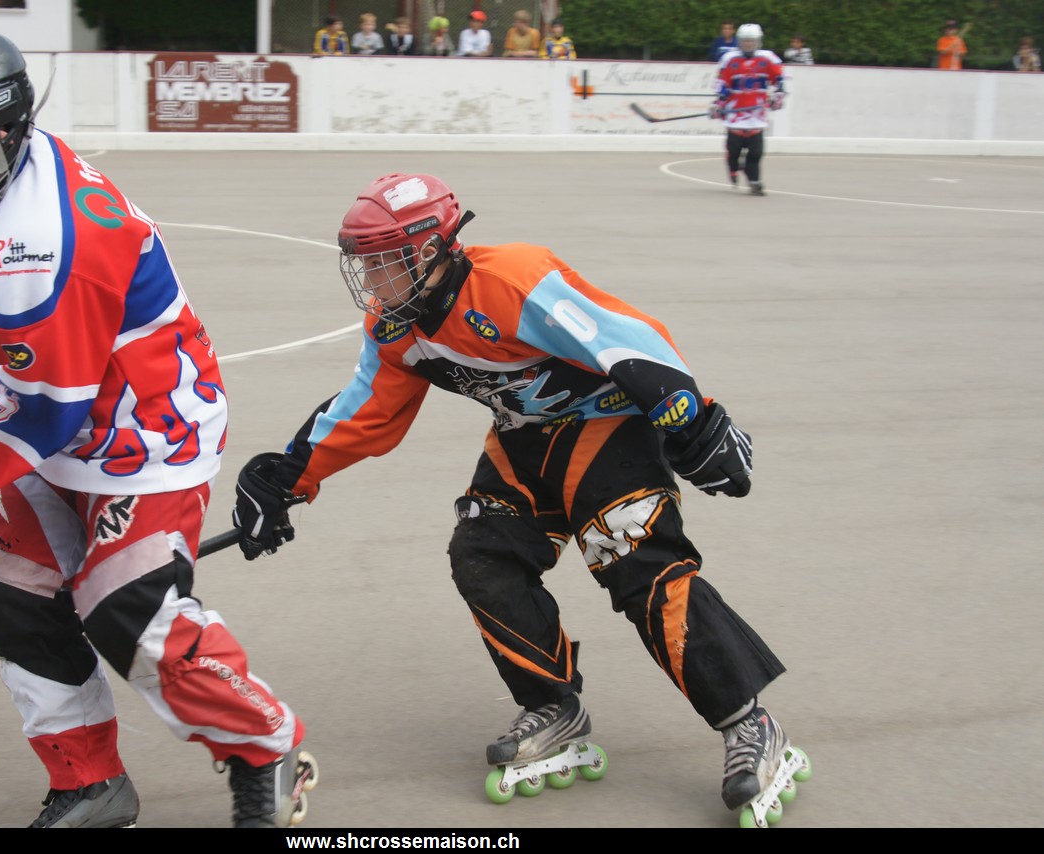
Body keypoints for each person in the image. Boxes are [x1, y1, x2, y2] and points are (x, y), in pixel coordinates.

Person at [230, 172, 804, 825]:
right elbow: (366, 410)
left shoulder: (513, 281)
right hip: (523, 440)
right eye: (363, 263)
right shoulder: (396, 327)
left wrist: (694, 420)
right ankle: (554, 706)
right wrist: (284, 479)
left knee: (638, 566)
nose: (369, 278)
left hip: (606, 425)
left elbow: (624, 339)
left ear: (429, 250)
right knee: (482, 555)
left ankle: (748, 723)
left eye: (382, 261)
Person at [0, 25, 315, 829]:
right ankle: (90, 783)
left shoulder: (39, 242)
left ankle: (265, 747)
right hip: (72, 425)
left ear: (1, 137)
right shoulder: (1, 177)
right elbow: (35, 362)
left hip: (143, 433)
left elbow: (40, 401)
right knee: (9, 594)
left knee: (128, 609)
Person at [710, 23, 785, 196]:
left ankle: (754, 182)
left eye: (751, 41)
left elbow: (780, 81)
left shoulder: (768, 58)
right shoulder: (729, 58)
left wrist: (777, 97)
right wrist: (718, 104)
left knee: (756, 153)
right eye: (744, 41)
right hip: (735, 115)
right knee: (734, 153)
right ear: (739, 42)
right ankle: (734, 168)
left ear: (758, 42)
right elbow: (723, 84)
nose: (748, 44)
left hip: (756, 116)